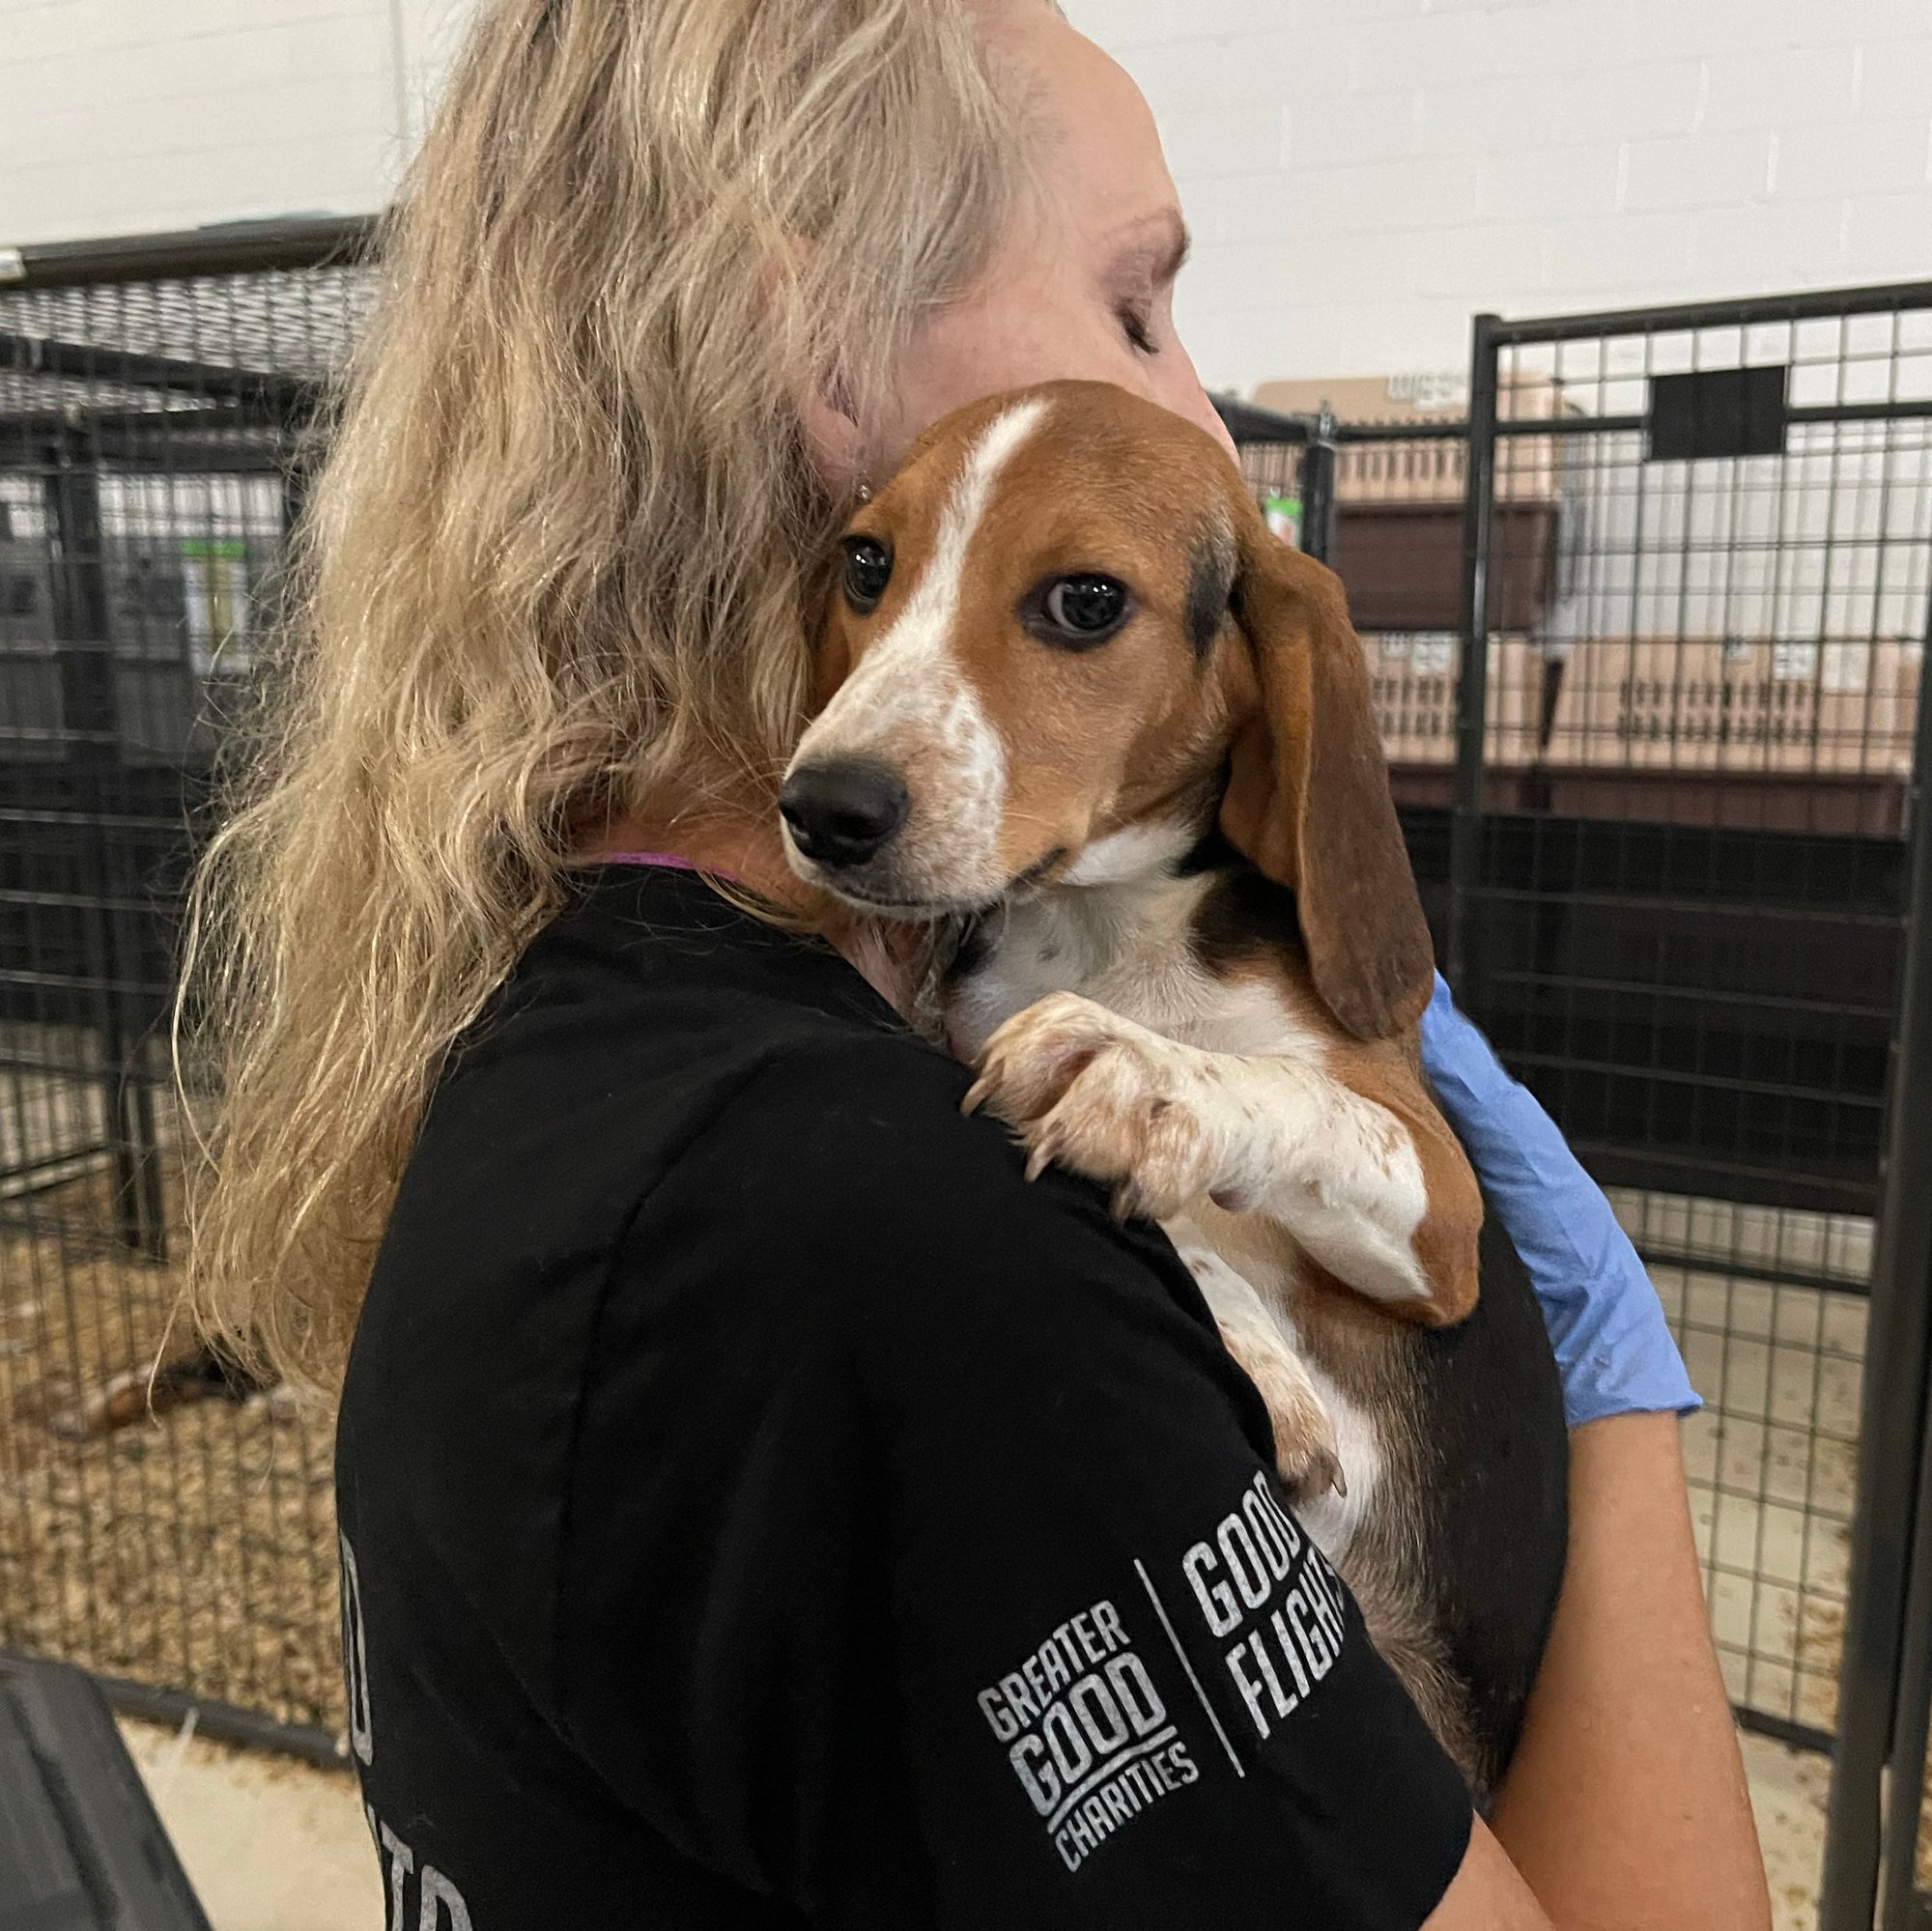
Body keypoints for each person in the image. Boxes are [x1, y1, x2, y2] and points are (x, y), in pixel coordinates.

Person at [185, 2, 1772, 1925]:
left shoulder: (573, 1031)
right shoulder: (871, 1233)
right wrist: (1610, 1394)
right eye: (1132, 309)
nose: (1198, 410)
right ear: (812, 339)